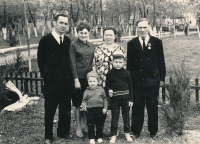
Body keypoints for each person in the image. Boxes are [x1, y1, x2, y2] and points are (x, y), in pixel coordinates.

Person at [127, 18, 166, 139]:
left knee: (152, 106)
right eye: (140, 27)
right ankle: (136, 130)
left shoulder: (157, 42)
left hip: (152, 80)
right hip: (137, 81)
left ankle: (153, 131)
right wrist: (130, 81)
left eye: (145, 27)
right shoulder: (131, 43)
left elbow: (161, 61)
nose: (142, 30)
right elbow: (129, 64)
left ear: (149, 27)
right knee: (137, 106)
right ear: (136, 28)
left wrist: (162, 78)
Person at [37, 14, 73, 144]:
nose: (63, 26)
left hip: (66, 82)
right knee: (50, 109)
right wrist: (48, 78)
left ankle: (63, 132)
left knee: (65, 108)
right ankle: (48, 136)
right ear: (54, 23)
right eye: (61, 23)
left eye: (65, 23)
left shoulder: (68, 41)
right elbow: (41, 62)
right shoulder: (45, 40)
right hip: (51, 83)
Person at [69, 21, 95, 138]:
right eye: (81, 32)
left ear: (88, 33)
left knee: (87, 102)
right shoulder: (73, 45)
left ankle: (85, 125)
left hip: (89, 80)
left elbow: (92, 63)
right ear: (77, 32)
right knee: (78, 104)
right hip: (78, 79)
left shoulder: (92, 45)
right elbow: (72, 63)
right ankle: (78, 127)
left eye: (85, 32)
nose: (83, 35)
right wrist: (76, 80)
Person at [106, 54, 133, 144]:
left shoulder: (126, 73)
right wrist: (109, 90)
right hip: (115, 99)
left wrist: (131, 99)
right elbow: (107, 86)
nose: (118, 64)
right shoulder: (110, 73)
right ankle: (113, 135)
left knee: (126, 116)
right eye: (116, 62)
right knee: (115, 116)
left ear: (123, 63)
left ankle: (127, 133)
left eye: (120, 62)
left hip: (125, 98)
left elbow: (130, 87)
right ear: (112, 62)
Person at [80, 71, 108, 144]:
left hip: (100, 110)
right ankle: (91, 137)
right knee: (90, 124)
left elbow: (105, 99)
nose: (92, 83)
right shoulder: (86, 91)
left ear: (98, 81)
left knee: (99, 124)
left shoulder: (101, 90)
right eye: (90, 81)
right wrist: (84, 106)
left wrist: (105, 108)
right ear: (88, 82)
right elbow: (84, 100)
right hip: (90, 110)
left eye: (94, 81)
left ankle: (99, 136)